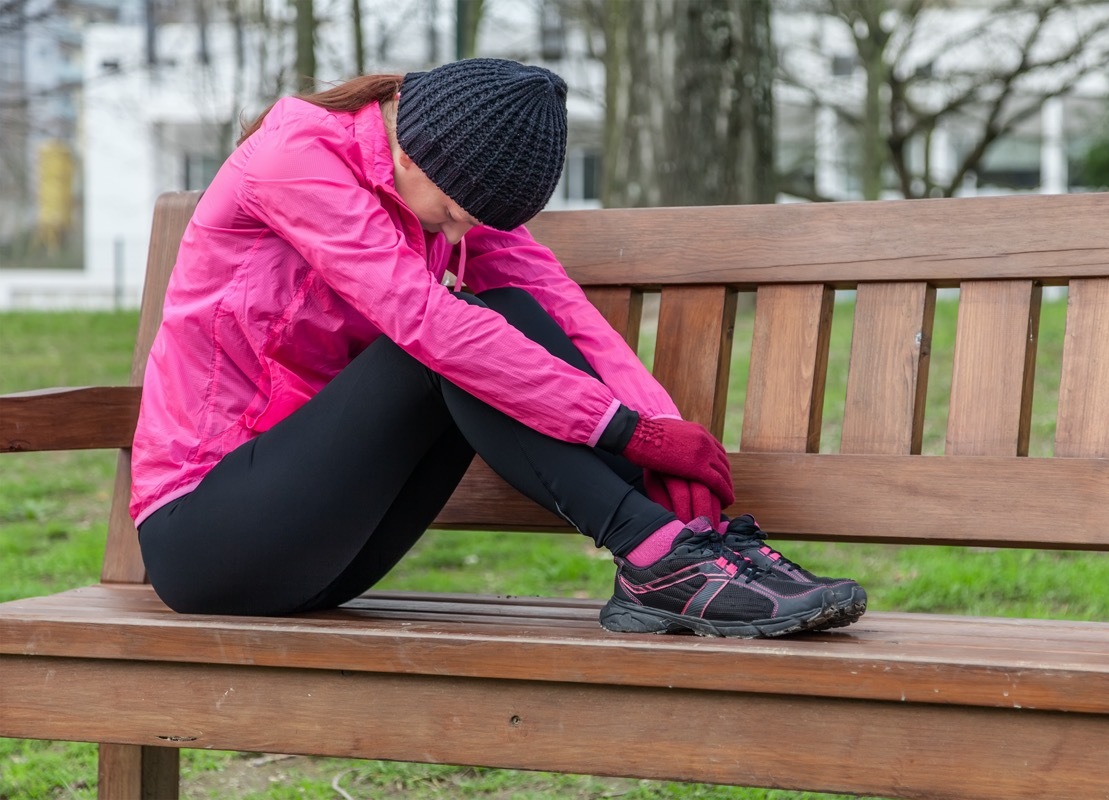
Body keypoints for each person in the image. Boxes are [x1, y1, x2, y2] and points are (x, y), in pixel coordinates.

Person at [131, 58, 866, 638]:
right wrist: (622, 430)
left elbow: (567, 317)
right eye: (453, 215)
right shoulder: (293, 159)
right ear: (414, 156)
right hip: (205, 535)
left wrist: (660, 443)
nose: (456, 237)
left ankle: (682, 547)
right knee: (444, 337)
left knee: (507, 309)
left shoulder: (449, 172)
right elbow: (424, 320)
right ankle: (654, 558)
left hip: (327, 553)